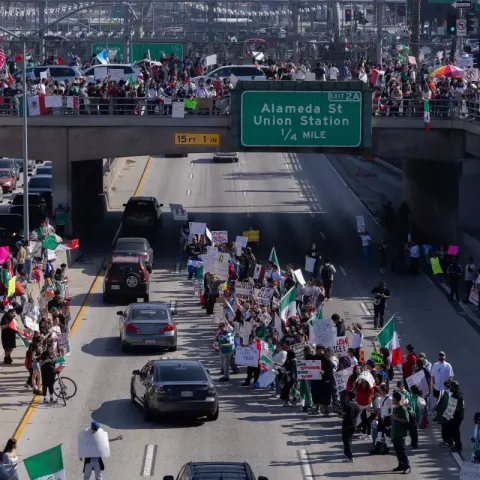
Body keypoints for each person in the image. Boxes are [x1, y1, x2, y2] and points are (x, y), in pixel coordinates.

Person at [391, 391, 411, 473]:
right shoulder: (395, 408)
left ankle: (407, 466)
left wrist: (396, 418)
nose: (392, 400)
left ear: (396, 399)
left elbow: (406, 420)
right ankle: (401, 465)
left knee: (402, 450)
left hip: (401, 433)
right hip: (395, 433)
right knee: (397, 450)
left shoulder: (402, 409)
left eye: (393, 398)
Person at [338, 390, 360, 463]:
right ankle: (347, 453)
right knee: (349, 440)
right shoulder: (357, 405)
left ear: (348, 397)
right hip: (354, 425)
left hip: (346, 425)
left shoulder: (347, 405)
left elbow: (343, 416)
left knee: (346, 441)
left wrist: (339, 414)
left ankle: (349, 456)